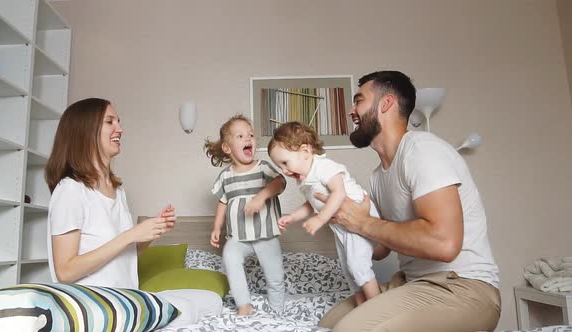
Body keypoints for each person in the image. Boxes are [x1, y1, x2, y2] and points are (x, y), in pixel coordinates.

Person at [317, 71, 501, 331]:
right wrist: (342, 218)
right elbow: (381, 251)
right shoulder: (378, 176)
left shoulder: (422, 149)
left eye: (358, 100)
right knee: (327, 324)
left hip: (462, 286)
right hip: (413, 283)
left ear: (386, 103)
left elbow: (444, 243)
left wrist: (363, 223)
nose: (351, 111)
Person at [45, 98, 221, 326]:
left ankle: (147, 316)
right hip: (94, 304)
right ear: (85, 132)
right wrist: (131, 234)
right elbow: (65, 271)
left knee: (212, 301)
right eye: (110, 122)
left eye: (118, 121)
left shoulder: (117, 191)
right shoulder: (70, 190)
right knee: (185, 310)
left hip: (127, 299)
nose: (120, 128)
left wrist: (151, 233)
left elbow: (126, 255)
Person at [267, 121, 381, 306]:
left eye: (285, 162)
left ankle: (377, 305)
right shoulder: (305, 181)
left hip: (360, 217)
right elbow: (311, 204)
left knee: (358, 266)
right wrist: (292, 217)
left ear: (305, 151)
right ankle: (362, 306)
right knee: (347, 269)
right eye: (280, 166)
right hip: (342, 227)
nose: (284, 170)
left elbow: (339, 192)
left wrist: (320, 219)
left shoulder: (324, 166)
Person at [205, 114, 287, 316]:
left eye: (250, 135)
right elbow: (222, 202)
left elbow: (280, 183)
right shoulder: (226, 176)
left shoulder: (263, 168)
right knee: (229, 256)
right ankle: (244, 305)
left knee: (274, 274)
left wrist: (262, 195)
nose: (248, 139)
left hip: (265, 233)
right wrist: (216, 227)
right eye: (240, 136)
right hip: (239, 236)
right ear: (227, 148)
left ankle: (277, 310)